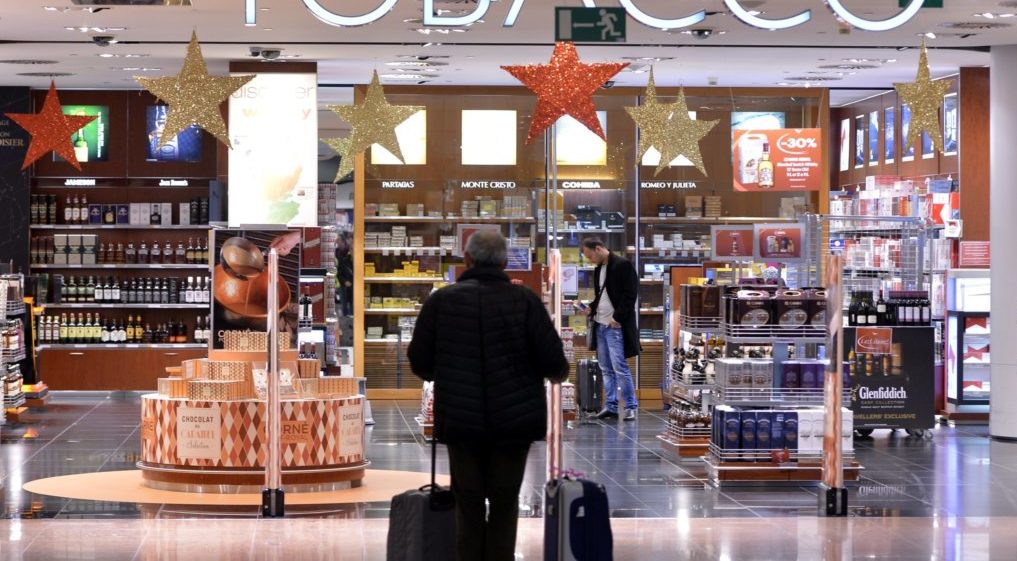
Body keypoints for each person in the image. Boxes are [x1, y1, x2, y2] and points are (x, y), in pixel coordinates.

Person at [408, 230, 569, 561]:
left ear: (466, 259)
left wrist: (447, 371)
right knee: (505, 504)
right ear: (505, 262)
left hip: (461, 421)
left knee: (466, 505)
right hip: (514, 423)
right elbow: (554, 364)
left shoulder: (442, 301)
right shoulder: (525, 302)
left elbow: (420, 362)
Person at [580, 237, 640, 421]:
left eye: (590, 256)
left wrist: (617, 317)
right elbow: (602, 295)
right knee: (605, 368)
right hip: (600, 325)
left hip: (615, 326)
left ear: (598, 249)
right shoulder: (599, 269)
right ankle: (611, 406)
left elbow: (630, 295)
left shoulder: (623, 265)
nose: (590, 260)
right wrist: (591, 308)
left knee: (619, 367)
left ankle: (630, 406)